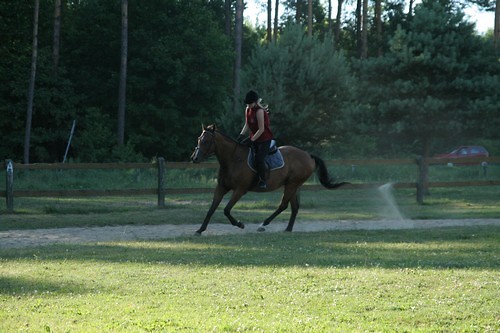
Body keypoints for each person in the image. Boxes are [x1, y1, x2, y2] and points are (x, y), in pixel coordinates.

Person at [238, 90, 274, 189]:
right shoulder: (247, 110)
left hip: (265, 139)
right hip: (255, 137)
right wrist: (241, 135)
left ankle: (263, 181)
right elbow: (247, 124)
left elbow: (261, 129)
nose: (248, 105)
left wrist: (252, 140)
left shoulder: (259, 111)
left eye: (250, 103)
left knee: (259, 159)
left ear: (255, 102)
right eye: (247, 104)